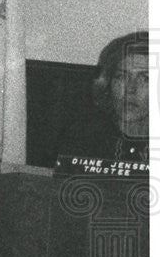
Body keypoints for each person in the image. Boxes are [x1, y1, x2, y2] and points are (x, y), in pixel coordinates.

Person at [57, 31, 149, 163]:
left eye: (145, 78)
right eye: (121, 76)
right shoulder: (82, 137)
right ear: (108, 82)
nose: (130, 89)